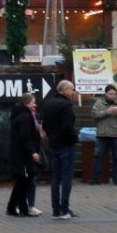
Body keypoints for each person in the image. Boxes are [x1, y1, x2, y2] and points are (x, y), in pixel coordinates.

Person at [40, 79, 78, 219]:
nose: (73, 92)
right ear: (64, 90)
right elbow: (68, 127)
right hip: (66, 144)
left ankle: (56, 209)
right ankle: (64, 209)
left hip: (53, 143)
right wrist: (75, 138)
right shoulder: (66, 105)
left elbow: (44, 125)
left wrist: (51, 136)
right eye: (71, 89)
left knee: (55, 178)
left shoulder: (48, 103)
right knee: (67, 178)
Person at [6, 94, 42, 217]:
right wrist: (33, 152)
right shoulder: (25, 117)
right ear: (27, 103)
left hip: (20, 154)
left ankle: (12, 207)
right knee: (24, 182)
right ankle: (22, 208)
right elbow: (25, 138)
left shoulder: (21, 116)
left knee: (22, 182)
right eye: (33, 102)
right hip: (23, 156)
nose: (35, 105)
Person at [91, 84, 117, 184]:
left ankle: (116, 179)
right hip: (102, 135)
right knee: (97, 156)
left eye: (114, 94)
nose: (113, 96)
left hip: (115, 135)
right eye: (110, 94)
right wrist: (107, 112)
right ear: (105, 94)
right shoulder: (98, 103)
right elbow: (94, 115)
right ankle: (95, 179)